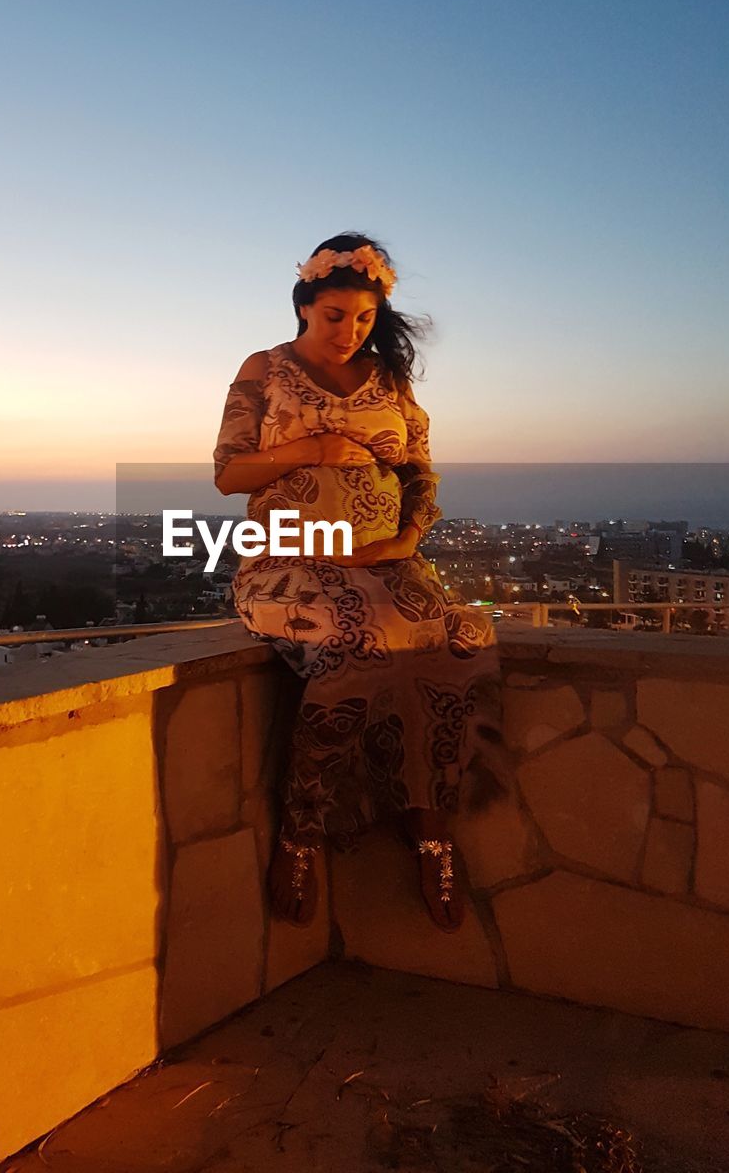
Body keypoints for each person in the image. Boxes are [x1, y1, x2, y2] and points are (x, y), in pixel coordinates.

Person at [213, 232, 506, 933]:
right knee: (357, 642)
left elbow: (421, 477)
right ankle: (302, 830)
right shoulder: (266, 369)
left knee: (461, 637)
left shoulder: (391, 381)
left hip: (387, 564)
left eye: (365, 317)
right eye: (335, 314)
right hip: (286, 564)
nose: (350, 330)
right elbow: (227, 472)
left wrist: (405, 539)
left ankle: (427, 816)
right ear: (305, 305)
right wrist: (312, 448)